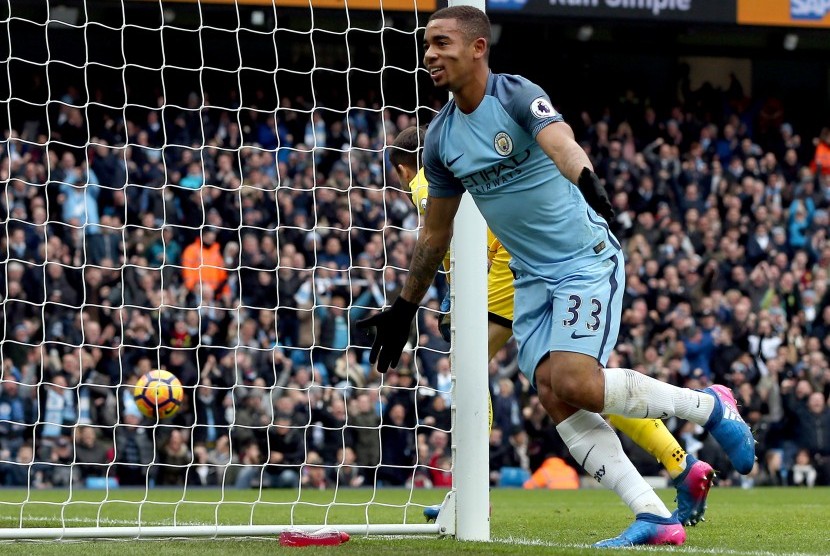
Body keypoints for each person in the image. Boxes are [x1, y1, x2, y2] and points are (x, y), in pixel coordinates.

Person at [358, 6, 754, 547]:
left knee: (574, 380)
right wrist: (404, 308)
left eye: (442, 43)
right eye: (426, 44)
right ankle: (654, 515)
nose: (430, 54)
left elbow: (562, 143)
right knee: (554, 392)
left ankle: (709, 406)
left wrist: (586, 177)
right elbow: (434, 236)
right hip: (529, 278)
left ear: (478, 47)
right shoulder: (441, 139)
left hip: (583, 260)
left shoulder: (515, 95)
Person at [390, 125, 715, 526]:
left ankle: (471, 493)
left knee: (470, 362)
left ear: (403, 169)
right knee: (577, 384)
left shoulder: (423, 183)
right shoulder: (459, 164)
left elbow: (447, 237)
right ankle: (681, 463)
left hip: (510, 267)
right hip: (530, 257)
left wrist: (444, 299)